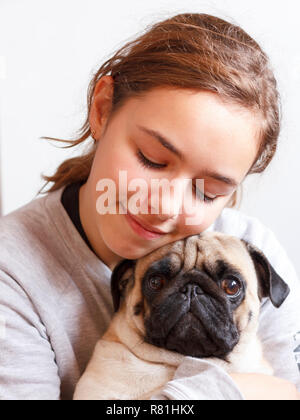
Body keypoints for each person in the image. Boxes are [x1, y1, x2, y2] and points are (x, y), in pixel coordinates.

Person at [0, 12, 299, 400]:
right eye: (152, 160)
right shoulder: (13, 275)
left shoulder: (250, 247)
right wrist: (230, 390)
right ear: (103, 109)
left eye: (207, 192)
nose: (165, 205)